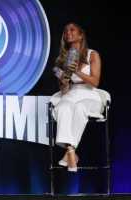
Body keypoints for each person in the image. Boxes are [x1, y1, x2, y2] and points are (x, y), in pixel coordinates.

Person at [51, 23, 102, 172]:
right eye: (65, 30)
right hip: (72, 93)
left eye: (72, 30)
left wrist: (77, 72)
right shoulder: (62, 60)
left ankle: (69, 153)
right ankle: (71, 151)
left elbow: (95, 82)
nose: (68, 32)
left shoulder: (92, 55)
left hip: (90, 94)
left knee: (80, 108)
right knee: (62, 107)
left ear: (80, 35)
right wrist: (64, 80)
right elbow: (64, 90)